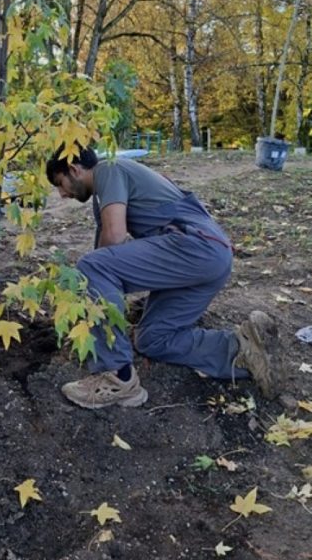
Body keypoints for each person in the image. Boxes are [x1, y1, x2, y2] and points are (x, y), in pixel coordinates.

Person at [46, 146, 282, 409]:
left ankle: (117, 378)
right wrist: (95, 301)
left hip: (194, 248)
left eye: (60, 183)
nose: (62, 194)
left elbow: (112, 240)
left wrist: (91, 300)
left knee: (91, 267)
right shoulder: (110, 186)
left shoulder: (109, 169)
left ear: (74, 169)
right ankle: (242, 351)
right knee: (153, 339)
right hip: (210, 258)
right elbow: (107, 258)